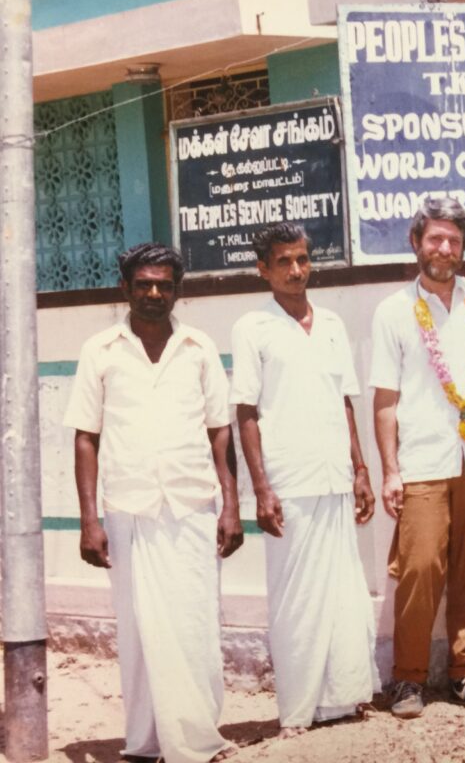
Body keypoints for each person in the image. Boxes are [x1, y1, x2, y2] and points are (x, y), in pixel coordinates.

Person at [65, 243, 242, 763]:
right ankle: (146, 742)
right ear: (126, 288)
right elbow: (85, 438)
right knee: (139, 627)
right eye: (143, 283)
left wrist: (231, 505)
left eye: (164, 284)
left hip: (191, 505)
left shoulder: (198, 347)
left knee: (194, 624)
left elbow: (219, 433)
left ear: (177, 290)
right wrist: (88, 519)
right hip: (129, 509)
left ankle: (197, 739)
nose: (154, 293)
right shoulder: (100, 350)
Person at [231, 222, 379, 734]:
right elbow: (245, 411)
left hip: (334, 474)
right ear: (263, 269)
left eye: (301, 259)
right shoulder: (254, 327)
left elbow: (345, 400)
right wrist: (261, 487)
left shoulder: (333, 322)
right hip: (288, 480)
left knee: (343, 592)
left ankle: (345, 696)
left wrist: (360, 469)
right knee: (296, 598)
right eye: (283, 262)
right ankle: (297, 711)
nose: (295, 270)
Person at [369, 198, 465, 718]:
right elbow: (385, 400)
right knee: (421, 567)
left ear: (463, 247)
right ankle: (407, 678)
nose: (444, 249)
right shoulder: (393, 310)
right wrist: (390, 470)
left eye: (454, 240)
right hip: (422, 459)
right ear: (416, 243)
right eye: (435, 239)